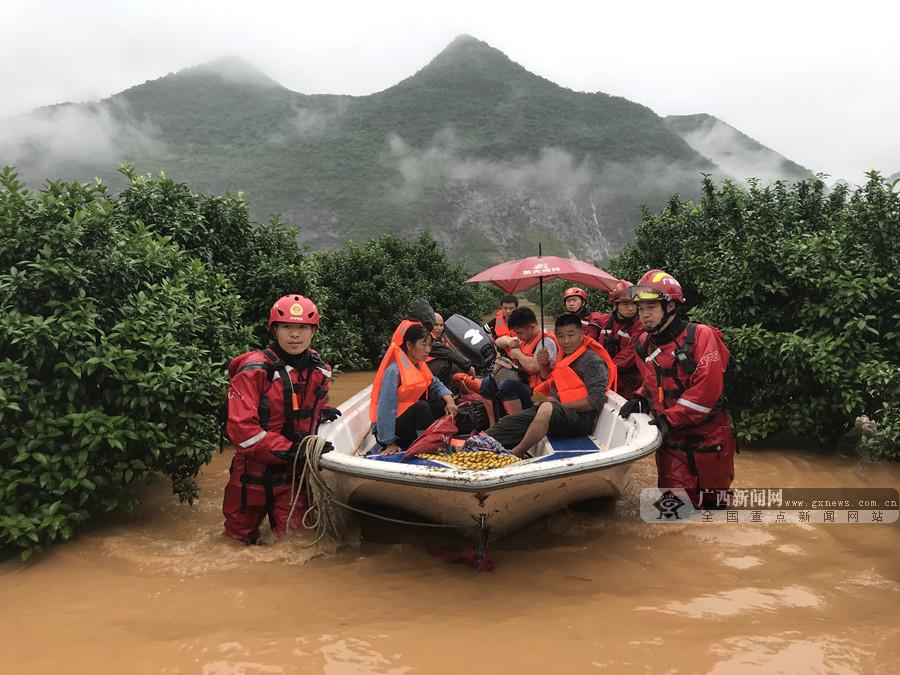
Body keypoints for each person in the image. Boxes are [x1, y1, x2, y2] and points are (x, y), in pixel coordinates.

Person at [222, 294, 339, 545]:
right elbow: (242, 430)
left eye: (302, 328)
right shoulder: (254, 370)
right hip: (250, 475)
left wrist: (322, 411)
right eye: (287, 327)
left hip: (292, 475)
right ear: (274, 329)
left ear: (313, 331)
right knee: (236, 542)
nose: (294, 335)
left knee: (296, 542)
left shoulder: (318, 369)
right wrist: (291, 450)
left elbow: (300, 404)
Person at [619, 270, 736, 508]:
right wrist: (641, 398)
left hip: (709, 438)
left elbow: (706, 392)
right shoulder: (643, 343)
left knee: (714, 509)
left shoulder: (701, 336)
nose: (645, 315)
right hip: (672, 441)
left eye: (651, 307)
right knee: (675, 507)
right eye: (641, 309)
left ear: (670, 306)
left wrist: (668, 419)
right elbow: (653, 381)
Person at [485, 314, 611, 456]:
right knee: (507, 423)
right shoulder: (564, 355)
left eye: (571, 335)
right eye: (561, 336)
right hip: (555, 410)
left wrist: (558, 404)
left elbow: (596, 401)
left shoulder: (592, 361)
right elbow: (547, 378)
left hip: (580, 420)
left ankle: (516, 453)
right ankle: (480, 443)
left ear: (582, 334)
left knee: (546, 407)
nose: (566, 341)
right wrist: (544, 366)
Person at [371, 322, 459, 456]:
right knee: (421, 407)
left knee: (441, 404)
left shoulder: (418, 365)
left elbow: (434, 384)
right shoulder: (393, 371)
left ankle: (432, 439)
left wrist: (449, 400)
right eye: (423, 345)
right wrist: (389, 442)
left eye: (429, 345)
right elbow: (385, 409)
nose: (428, 350)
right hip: (388, 430)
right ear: (409, 346)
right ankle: (426, 446)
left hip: (405, 421)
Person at [456, 307, 559, 414]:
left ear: (532, 327)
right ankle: (493, 423)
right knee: (488, 382)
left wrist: (518, 354)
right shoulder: (526, 338)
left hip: (540, 395)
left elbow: (533, 367)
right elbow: (498, 342)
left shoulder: (546, 342)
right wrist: (508, 340)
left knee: (507, 386)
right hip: (526, 383)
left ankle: (516, 422)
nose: (517, 336)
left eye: (519, 333)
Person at [591, 280, 644, 400]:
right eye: (625, 304)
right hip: (608, 378)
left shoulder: (640, 326)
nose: (631, 308)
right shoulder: (605, 322)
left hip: (631, 385)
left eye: (634, 304)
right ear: (615, 305)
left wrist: (600, 371)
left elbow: (628, 356)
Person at [426, 312, 475, 392]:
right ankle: (450, 391)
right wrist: (468, 365)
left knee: (459, 363)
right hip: (427, 372)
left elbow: (454, 351)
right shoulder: (428, 339)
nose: (439, 328)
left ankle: (462, 388)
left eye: (441, 325)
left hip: (433, 369)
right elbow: (447, 353)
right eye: (436, 325)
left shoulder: (442, 337)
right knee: (447, 362)